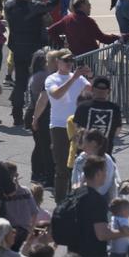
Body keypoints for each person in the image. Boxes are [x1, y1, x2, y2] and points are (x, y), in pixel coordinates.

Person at [36, 50, 91, 200]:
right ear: (57, 62)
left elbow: (91, 92)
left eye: (71, 61)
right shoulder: (51, 79)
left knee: (79, 163)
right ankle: (60, 200)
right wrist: (74, 78)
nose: (69, 63)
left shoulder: (79, 78)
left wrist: (91, 76)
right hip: (59, 126)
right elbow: (56, 94)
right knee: (62, 166)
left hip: (77, 125)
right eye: (65, 60)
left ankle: (76, 197)